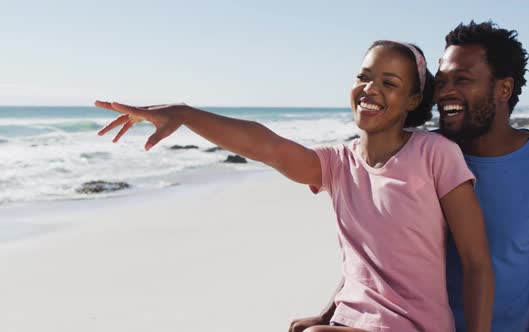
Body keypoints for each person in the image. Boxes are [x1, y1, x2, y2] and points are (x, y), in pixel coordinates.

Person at [95, 41, 494, 331]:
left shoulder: (435, 154)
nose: (371, 89)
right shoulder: (337, 164)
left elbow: (476, 261)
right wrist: (185, 114)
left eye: (389, 83)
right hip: (346, 323)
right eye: (364, 77)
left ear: (412, 100)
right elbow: (265, 145)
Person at [292, 21, 529, 332]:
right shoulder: (418, 155)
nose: (446, 93)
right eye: (442, 81)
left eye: (461, 80)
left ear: (503, 89)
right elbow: (374, 257)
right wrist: (328, 314)